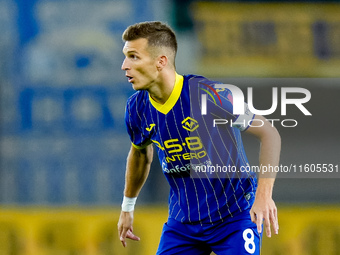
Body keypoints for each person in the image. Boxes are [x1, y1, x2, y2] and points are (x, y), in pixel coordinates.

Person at [117, 21, 281, 255]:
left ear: (160, 61)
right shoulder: (136, 108)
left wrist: (264, 196)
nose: (124, 66)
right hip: (183, 224)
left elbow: (269, 133)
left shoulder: (208, 94)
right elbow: (140, 153)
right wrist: (127, 207)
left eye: (133, 57)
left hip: (234, 217)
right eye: (125, 56)